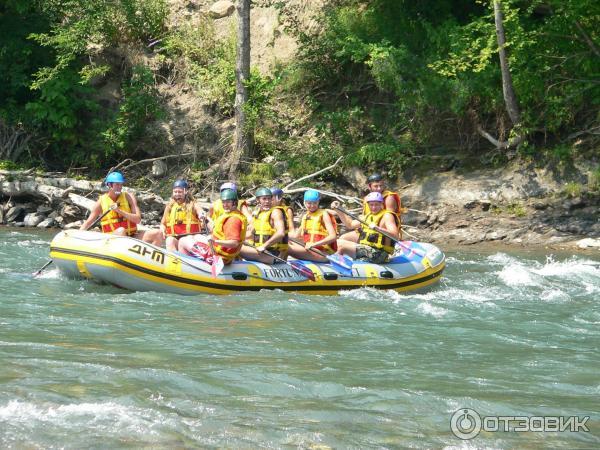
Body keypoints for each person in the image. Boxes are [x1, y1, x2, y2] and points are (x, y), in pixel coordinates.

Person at [80, 171, 163, 245]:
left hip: (132, 236)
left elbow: (137, 219)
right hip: (111, 239)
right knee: (121, 230)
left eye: (121, 184)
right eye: (117, 184)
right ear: (109, 185)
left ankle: (147, 260)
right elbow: (88, 222)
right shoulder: (101, 202)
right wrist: (78, 234)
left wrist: (119, 211)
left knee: (157, 233)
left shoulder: (129, 197)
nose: (119, 187)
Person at [179, 189, 247, 265]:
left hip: (219, 257)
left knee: (182, 241)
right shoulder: (233, 213)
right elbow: (215, 229)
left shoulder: (233, 220)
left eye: (228, 202)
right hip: (219, 250)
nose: (225, 205)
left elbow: (234, 243)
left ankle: (186, 267)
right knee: (195, 236)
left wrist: (215, 241)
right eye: (223, 202)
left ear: (235, 203)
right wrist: (206, 219)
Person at [335, 192, 399, 264]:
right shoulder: (368, 216)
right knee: (337, 242)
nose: (373, 207)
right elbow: (350, 224)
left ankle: (337, 266)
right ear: (368, 205)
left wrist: (379, 229)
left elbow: (396, 236)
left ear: (381, 204)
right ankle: (339, 261)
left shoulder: (387, 216)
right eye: (371, 205)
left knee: (342, 247)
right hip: (367, 249)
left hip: (380, 254)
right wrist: (339, 210)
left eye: (376, 205)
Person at [339, 172, 403, 242]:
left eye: (381, 185)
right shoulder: (367, 198)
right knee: (343, 238)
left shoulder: (389, 197)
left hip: (383, 230)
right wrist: (339, 209)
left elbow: (390, 218)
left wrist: (377, 228)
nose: (379, 188)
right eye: (376, 186)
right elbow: (363, 218)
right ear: (369, 186)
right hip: (369, 227)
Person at [288, 190, 337, 263]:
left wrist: (314, 244)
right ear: (304, 202)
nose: (312, 206)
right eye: (309, 203)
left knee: (287, 248)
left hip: (323, 253)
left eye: (315, 203)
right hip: (311, 249)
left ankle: (277, 262)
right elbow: (296, 237)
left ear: (318, 202)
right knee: (285, 243)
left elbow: (333, 236)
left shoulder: (323, 214)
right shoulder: (306, 216)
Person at [240, 188, 288, 264]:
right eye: (264, 199)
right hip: (260, 251)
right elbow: (251, 234)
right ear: (258, 200)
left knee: (237, 248)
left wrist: (264, 246)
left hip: (271, 253)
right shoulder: (259, 213)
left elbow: (281, 233)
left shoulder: (276, 212)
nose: (267, 201)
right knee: (235, 244)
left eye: (269, 198)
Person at [159, 179, 206, 252]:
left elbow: (200, 211)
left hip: (190, 238)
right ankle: (173, 260)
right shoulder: (169, 206)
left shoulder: (192, 204)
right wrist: (162, 229)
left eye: (180, 192)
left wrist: (201, 215)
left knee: (187, 240)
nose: (177, 194)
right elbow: (163, 223)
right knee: (169, 240)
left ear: (185, 192)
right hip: (175, 239)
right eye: (175, 192)